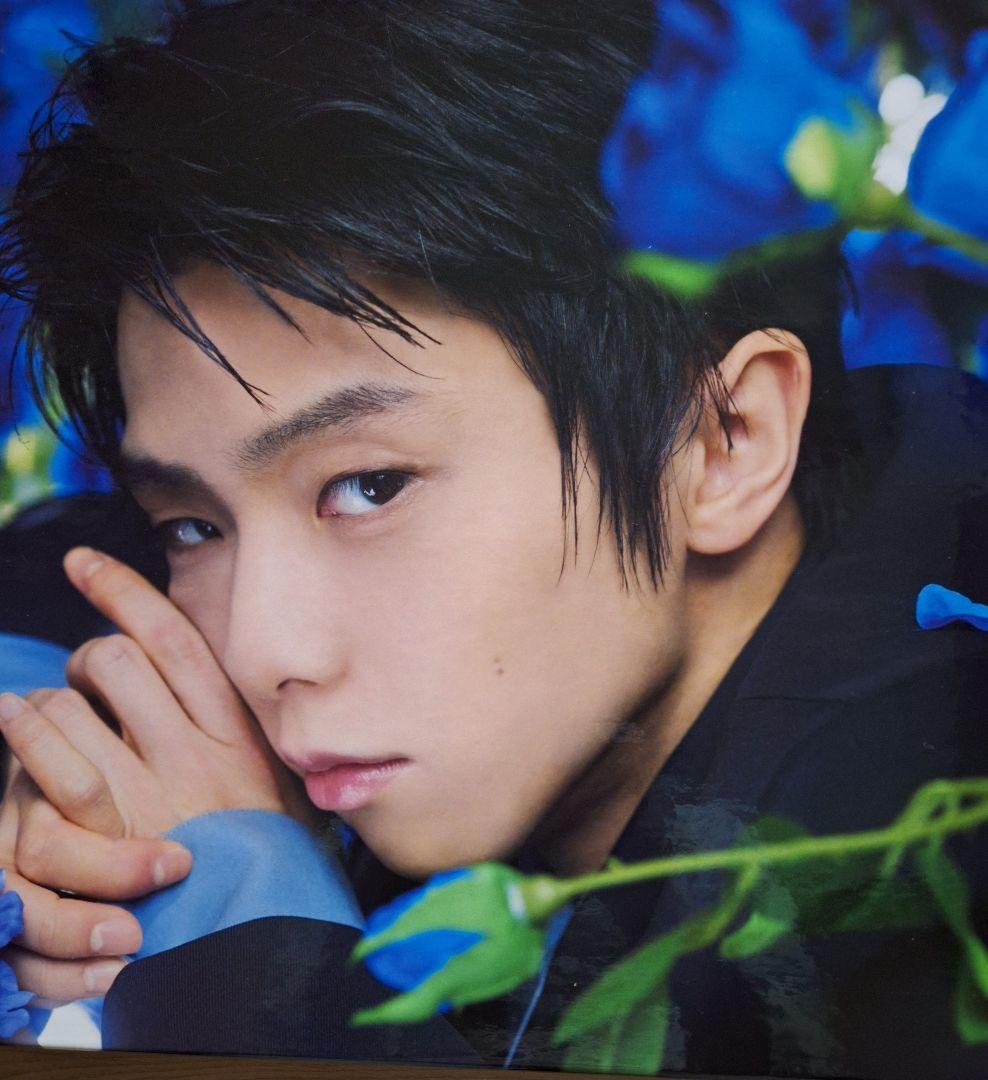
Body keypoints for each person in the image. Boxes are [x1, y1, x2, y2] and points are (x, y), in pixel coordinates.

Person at [0, 0, 987, 1074]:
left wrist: (238, 943)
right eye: (194, 525)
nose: (260, 650)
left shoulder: (914, 928)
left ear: (723, 442)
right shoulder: (883, 488)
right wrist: (48, 745)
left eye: (370, 487)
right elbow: (74, 553)